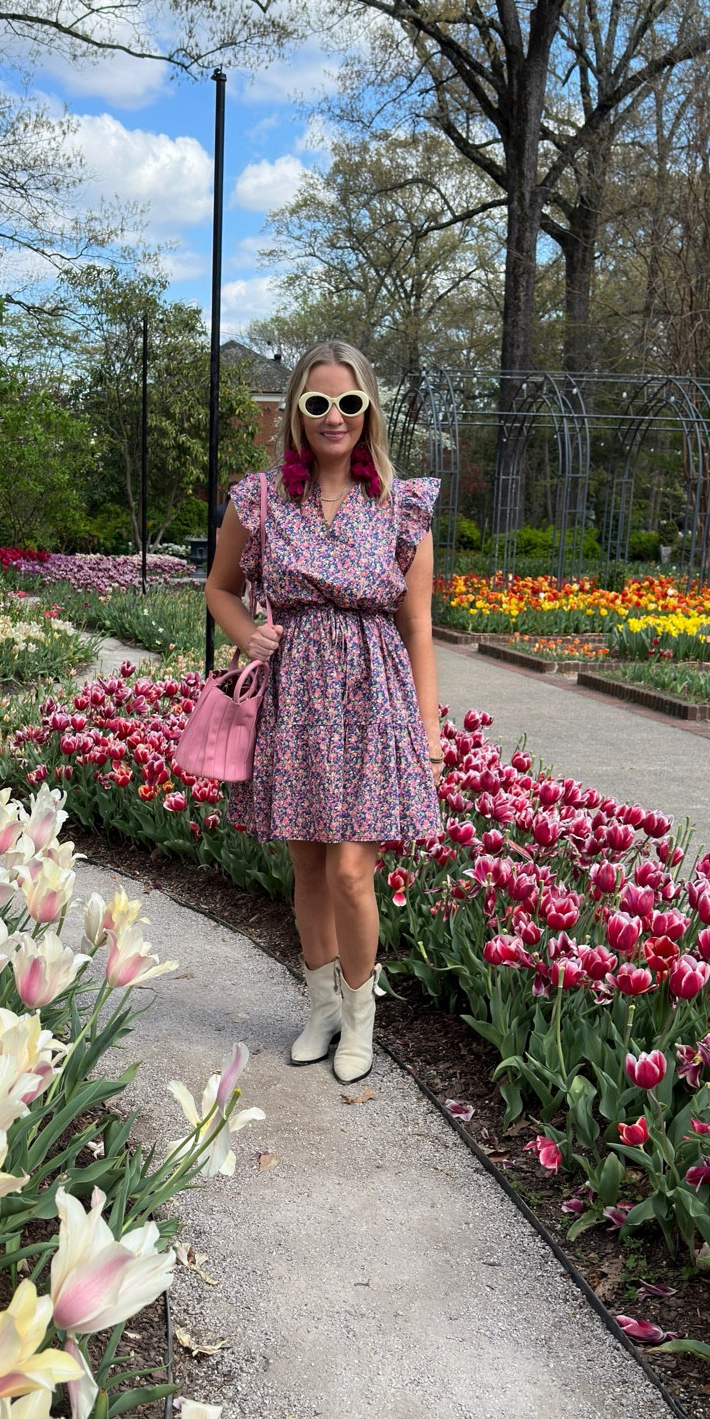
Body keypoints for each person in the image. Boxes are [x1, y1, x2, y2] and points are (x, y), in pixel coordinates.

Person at [205, 339, 443, 1083]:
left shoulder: (401, 505)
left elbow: (418, 626)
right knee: (307, 866)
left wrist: (430, 733)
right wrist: (250, 636)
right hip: (296, 695)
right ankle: (320, 1011)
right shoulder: (262, 499)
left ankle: (361, 1021)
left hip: (375, 700)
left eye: (348, 403)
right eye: (317, 403)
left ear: (368, 410)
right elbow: (219, 589)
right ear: (296, 415)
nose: (333, 417)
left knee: (351, 872)